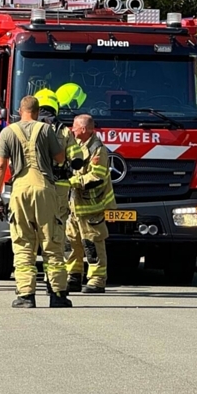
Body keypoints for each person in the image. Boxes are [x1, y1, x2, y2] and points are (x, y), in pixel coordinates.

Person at [0, 96, 70, 309]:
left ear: (20, 110)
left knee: (23, 243)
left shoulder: (8, 132)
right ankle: (58, 295)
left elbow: (0, 165)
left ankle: (26, 295)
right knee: (51, 242)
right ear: (37, 111)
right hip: (44, 188)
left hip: (20, 190)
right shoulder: (45, 130)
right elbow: (60, 158)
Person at [35, 90, 85, 292]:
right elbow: (76, 157)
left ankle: (26, 285)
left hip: (33, 185)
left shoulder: (28, 127)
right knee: (56, 233)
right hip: (59, 187)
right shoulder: (63, 130)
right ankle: (53, 281)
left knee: (31, 233)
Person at [66, 114, 116, 293]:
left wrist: (72, 182)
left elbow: (97, 176)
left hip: (92, 206)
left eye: (75, 126)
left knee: (92, 244)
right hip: (75, 206)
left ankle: (97, 280)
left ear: (84, 129)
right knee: (72, 242)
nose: (72, 129)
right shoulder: (78, 145)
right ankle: (74, 276)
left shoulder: (98, 150)